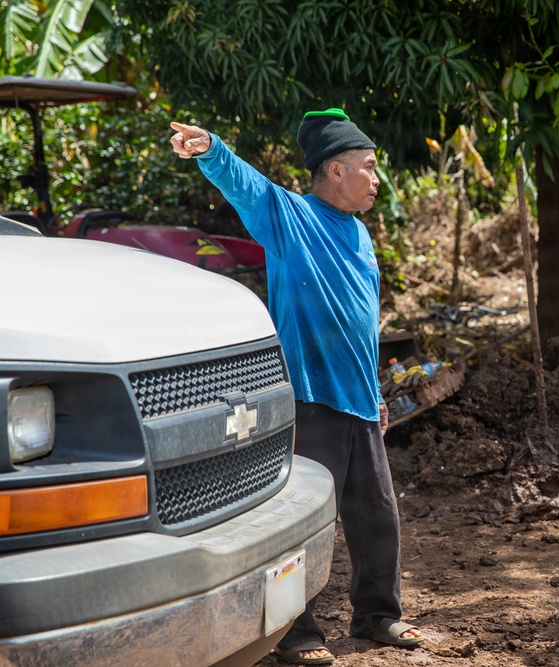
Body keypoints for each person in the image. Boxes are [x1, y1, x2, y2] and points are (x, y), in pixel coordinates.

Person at [170, 109, 424, 665]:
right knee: (300, 521)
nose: (377, 178)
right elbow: (246, 183)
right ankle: (296, 631)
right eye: (368, 167)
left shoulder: (359, 233)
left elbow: (364, 321)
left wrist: (376, 390)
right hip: (307, 396)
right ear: (335, 170)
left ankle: (378, 616)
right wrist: (210, 147)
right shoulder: (288, 216)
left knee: (377, 513)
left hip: (357, 398)